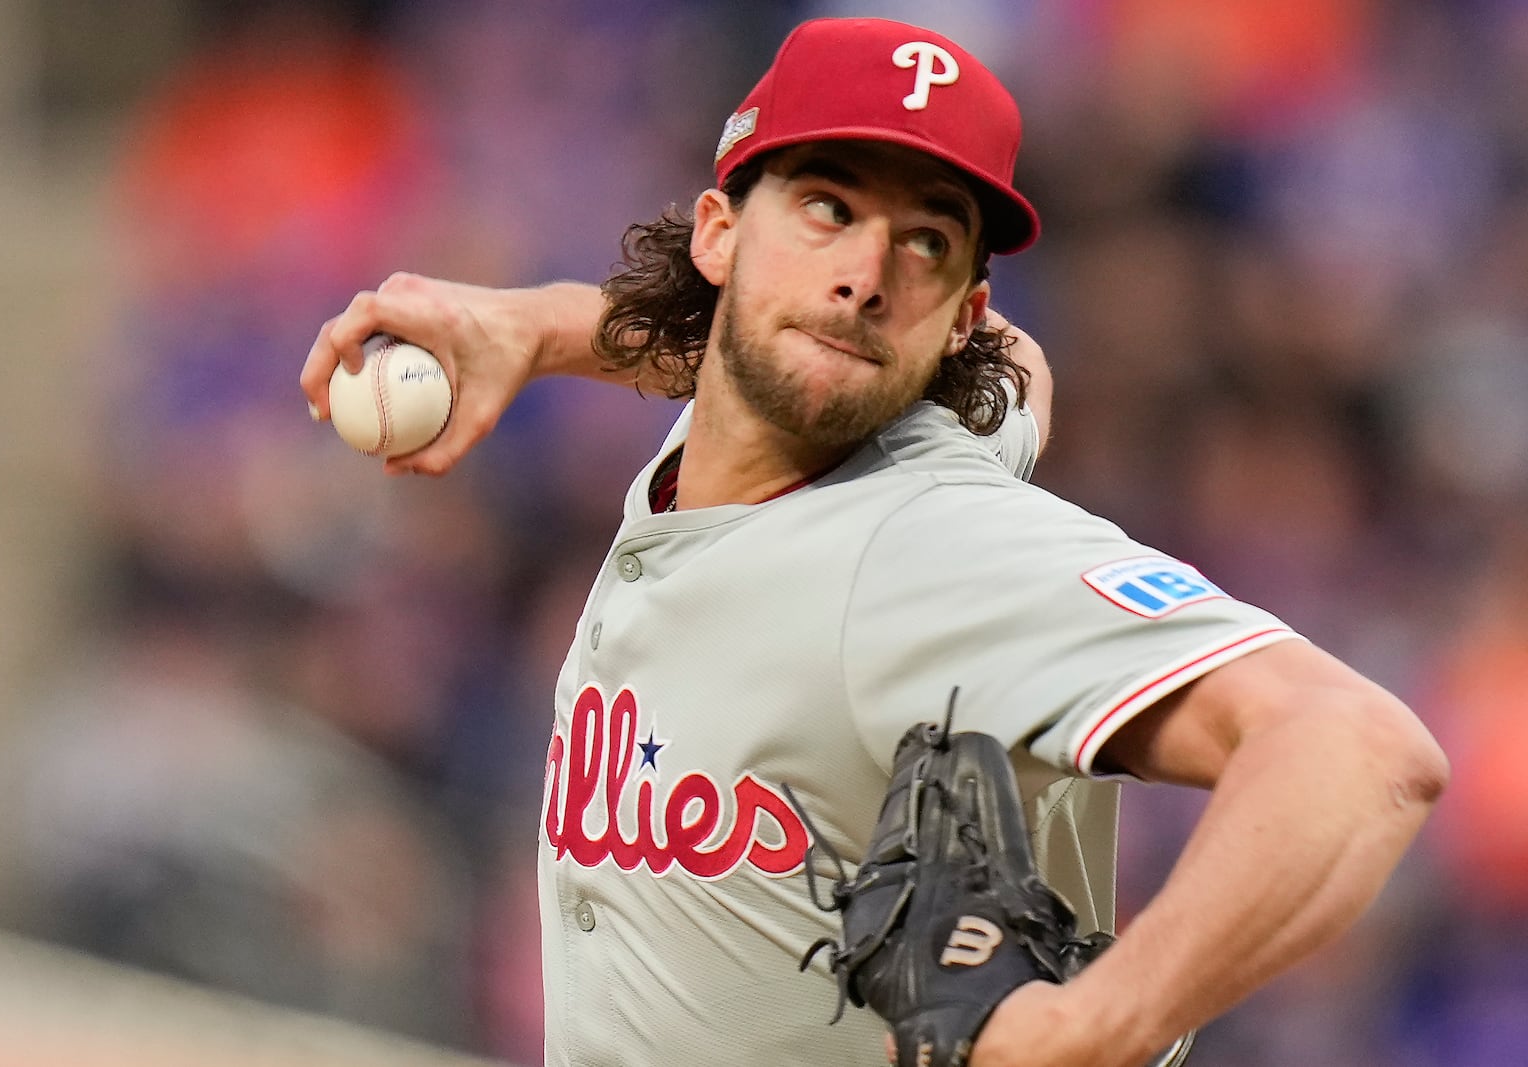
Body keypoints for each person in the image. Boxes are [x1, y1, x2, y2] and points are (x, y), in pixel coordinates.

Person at [300, 17, 1447, 1067]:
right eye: (829, 208)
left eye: (928, 244)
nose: (864, 277)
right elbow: (825, 361)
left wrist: (1098, 1021)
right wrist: (534, 326)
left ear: (963, 314)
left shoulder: (933, 547)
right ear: (716, 232)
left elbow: (1355, 746)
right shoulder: (913, 418)